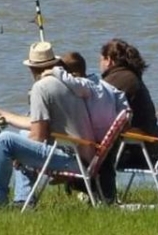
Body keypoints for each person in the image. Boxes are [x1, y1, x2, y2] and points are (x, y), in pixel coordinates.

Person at [0, 41, 95, 208]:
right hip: (85, 156)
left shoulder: (40, 88)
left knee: (5, 141)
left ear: (31, 68)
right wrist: (3, 114)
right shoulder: (68, 83)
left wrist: (19, 155)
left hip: (72, 160)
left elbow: (38, 136)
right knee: (21, 136)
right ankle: (23, 200)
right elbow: (38, 125)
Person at [44, 51, 128, 203]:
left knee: (53, 137)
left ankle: (63, 176)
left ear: (75, 74)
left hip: (92, 146)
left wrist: (53, 71)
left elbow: (72, 82)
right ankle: (91, 190)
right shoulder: (106, 85)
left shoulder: (85, 85)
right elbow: (123, 102)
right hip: (107, 144)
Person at [101, 38, 158, 171]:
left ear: (109, 60)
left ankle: (93, 189)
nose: (100, 64)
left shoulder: (117, 80)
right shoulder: (131, 76)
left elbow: (97, 109)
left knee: (86, 149)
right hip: (150, 148)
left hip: (138, 152)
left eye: (101, 60)